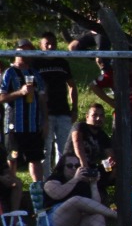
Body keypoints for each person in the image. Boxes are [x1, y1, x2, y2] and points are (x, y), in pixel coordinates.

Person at [1, 40, 48, 181]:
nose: (25, 53)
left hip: (33, 125)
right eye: (22, 49)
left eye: (28, 50)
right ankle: (10, 188)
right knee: (12, 158)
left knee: (35, 159)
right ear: (16, 51)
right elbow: (1, 97)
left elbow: (42, 98)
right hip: (14, 125)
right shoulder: (9, 72)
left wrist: (45, 121)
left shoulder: (35, 73)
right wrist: (20, 92)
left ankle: (38, 191)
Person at [42, 153, 118, 226]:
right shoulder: (54, 179)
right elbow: (58, 194)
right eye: (70, 166)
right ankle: (116, 215)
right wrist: (75, 179)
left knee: (98, 218)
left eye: (77, 166)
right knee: (76, 200)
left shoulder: (82, 183)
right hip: (52, 220)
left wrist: (93, 184)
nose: (74, 169)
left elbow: (95, 205)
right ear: (62, 167)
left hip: (76, 220)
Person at [35, 33, 76, 168]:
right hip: (44, 112)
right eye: (47, 44)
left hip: (63, 111)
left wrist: (74, 108)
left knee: (65, 149)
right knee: (46, 149)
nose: (51, 46)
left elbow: (72, 86)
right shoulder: (36, 63)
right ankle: (46, 182)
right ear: (41, 46)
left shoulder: (62, 62)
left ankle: (60, 179)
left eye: (53, 43)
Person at [90, 57, 132, 132]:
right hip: (122, 115)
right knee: (120, 141)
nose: (128, 68)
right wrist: (111, 102)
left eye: (130, 64)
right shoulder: (114, 73)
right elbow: (93, 85)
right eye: (125, 65)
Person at [68, 103, 116, 197]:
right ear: (87, 117)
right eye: (94, 115)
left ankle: (103, 192)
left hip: (93, 169)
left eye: (101, 116)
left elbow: (110, 155)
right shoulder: (80, 126)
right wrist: (85, 167)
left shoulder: (103, 136)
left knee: (116, 169)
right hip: (73, 165)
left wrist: (111, 163)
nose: (98, 118)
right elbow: (78, 144)